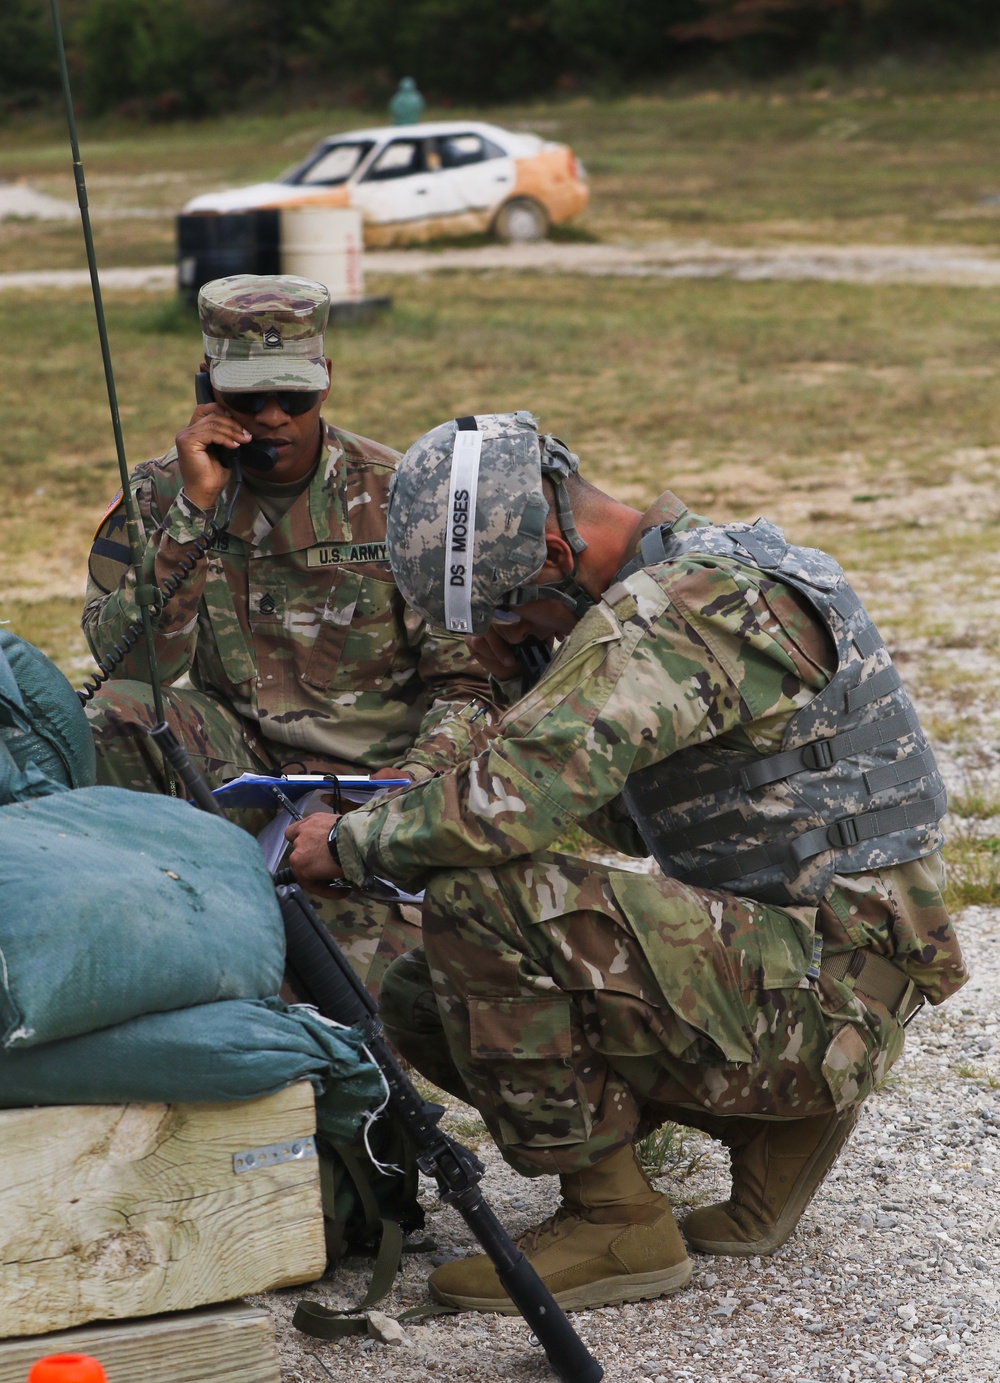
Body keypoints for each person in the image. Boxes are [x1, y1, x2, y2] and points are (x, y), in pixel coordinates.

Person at [284, 410, 968, 1313]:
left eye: (501, 614)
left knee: (477, 901)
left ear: (556, 562)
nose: (495, 643)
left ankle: (617, 1222)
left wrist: (348, 843)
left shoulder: (678, 611)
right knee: (423, 996)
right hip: (829, 973)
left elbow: (512, 806)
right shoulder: (704, 574)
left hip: (825, 995)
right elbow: (628, 817)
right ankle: (773, 1133)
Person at [81, 277, 495, 990]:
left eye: (294, 397)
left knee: (347, 986)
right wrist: (193, 513)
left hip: (375, 789)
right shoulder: (159, 496)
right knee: (116, 712)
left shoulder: (402, 498)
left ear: (326, 383)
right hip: (238, 775)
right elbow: (138, 663)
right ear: (206, 387)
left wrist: (401, 796)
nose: (274, 418)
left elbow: (472, 688)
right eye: (248, 400)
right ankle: (154, 912)